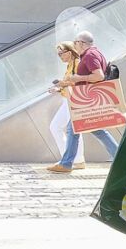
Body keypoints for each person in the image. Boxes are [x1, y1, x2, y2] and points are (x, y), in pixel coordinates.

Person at [49, 30, 121, 172]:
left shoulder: (89, 55)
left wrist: (78, 78)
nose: (74, 44)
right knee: (97, 131)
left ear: (81, 43)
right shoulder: (95, 53)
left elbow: (98, 75)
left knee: (74, 129)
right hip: (89, 98)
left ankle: (66, 163)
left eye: (75, 42)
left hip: (86, 99)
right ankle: (120, 157)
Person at [44, 41, 81, 173]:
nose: (59, 57)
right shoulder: (71, 64)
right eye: (58, 54)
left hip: (73, 100)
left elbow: (78, 83)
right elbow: (70, 84)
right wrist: (59, 89)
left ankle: (68, 160)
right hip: (69, 99)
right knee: (75, 129)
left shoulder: (76, 63)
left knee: (57, 127)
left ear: (69, 52)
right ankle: (76, 159)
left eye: (61, 54)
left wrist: (62, 84)